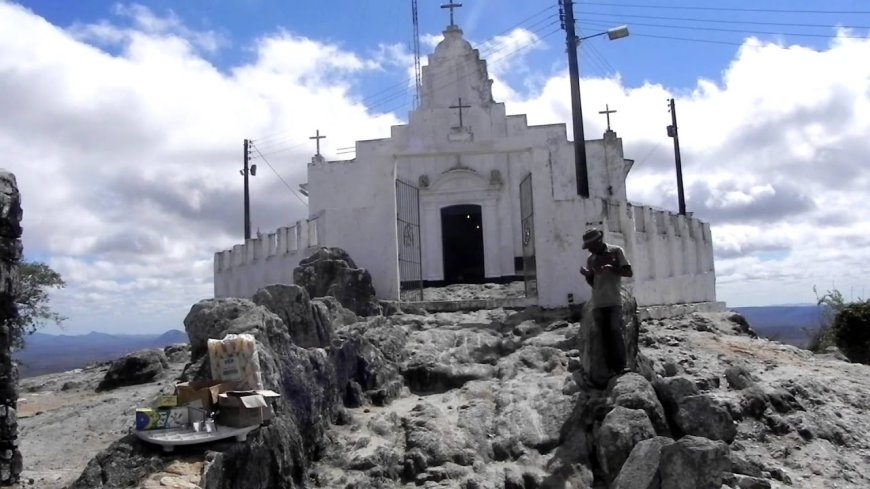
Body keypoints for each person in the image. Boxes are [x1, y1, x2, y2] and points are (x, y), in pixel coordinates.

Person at [579, 228, 633, 374]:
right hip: (598, 302)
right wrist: (587, 275)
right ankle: (609, 368)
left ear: (598, 242)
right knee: (602, 335)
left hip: (614, 300)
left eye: (591, 246)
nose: (590, 249)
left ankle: (621, 366)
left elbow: (628, 272)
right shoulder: (591, 259)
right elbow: (593, 283)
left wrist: (612, 268)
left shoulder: (616, 251)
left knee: (615, 330)